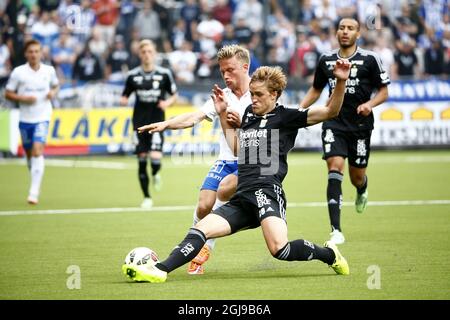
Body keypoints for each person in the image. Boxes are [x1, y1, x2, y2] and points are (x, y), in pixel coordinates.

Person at [124, 59, 352, 283]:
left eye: (259, 95)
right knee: (201, 228)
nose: (253, 99)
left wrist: (340, 81)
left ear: (274, 95)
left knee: (279, 249)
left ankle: (329, 254)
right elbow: (237, 149)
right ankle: (160, 270)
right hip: (243, 196)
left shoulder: (287, 117)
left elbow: (331, 111)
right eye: (252, 94)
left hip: (267, 192)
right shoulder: (249, 118)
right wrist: (223, 114)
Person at [138, 44, 252, 275]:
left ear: (245, 67)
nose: (226, 76)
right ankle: (192, 243)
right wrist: (166, 124)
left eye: (230, 70)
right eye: (222, 72)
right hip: (227, 159)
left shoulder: (260, 93)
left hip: (253, 161)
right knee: (203, 204)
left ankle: (202, 247)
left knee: (225, 187)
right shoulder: (224, 96)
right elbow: (194, 117)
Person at [299, 18, 390, 245]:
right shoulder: (326, 60)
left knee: (356, 177)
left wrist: (370, 104)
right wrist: (298, 111)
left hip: (360, 126)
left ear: (358, 33)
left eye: (350, 28)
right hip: (333, 122)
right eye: (341, 28)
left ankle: (362, 188)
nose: (345, 32)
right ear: (336, 32)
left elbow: (384, 91)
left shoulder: (370, 59)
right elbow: (316, 89)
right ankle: (336, 230)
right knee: (334, 166)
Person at [120, 39, 178, 209]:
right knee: (141, 159)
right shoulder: (132, 76)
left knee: (155, 159)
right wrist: (123, 100)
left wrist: (167, 104)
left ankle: (156, 173)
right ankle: (146, 197)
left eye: (149, 52)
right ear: (140, 54)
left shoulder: (164, 74)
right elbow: (125, 95)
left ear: (154, 54)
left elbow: (174, 95)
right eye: (143, 52)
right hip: (138, 123)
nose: (147, 55)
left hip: (158, 123)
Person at [5, 39, 59, 205]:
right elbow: (8, 93)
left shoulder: (49, 71)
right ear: (26, 54)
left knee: (37, 150)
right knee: (29, 154)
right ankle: (35, 179)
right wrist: (23, 98)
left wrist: (52, 93)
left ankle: (33, 191)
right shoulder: (18, 72)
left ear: (41, 53)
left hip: (42, 116)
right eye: (31, 52)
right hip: (25, 118)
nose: (34, 54)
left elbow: (56, 86)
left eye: (37, 51)